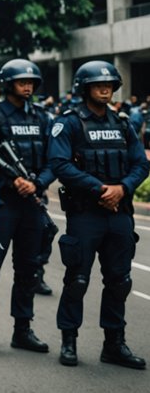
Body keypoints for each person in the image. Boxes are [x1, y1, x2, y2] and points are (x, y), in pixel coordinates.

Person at [48, 60, 149, 370]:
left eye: (109, 85)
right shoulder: (69, 123)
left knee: (120, 280)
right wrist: (100, 190)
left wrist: (123, 189)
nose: (105, 89)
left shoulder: (122, 123)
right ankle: (69, 340)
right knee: (77, 279)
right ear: (84, 88)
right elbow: (60, 164)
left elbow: (141, 163)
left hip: (120, 213)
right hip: (85, 215)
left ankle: (114, 344)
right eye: (98, 85)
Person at [0, 59, 54, 356]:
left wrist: (38, 182)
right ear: (8, 84)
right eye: (22, 81)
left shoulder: (43, 118)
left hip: (32, 203)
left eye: (31, 81)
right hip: (4, 203)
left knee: (28, 269)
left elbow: (54, 160)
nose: (28, 85)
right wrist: (11, 179)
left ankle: (23, 329)